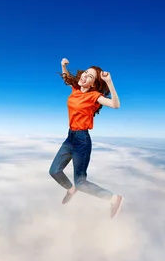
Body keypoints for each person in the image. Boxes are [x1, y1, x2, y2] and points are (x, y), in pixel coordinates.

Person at [49, 58, 124, 218]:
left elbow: (115, 105)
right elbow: (67, 78)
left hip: (82, 140)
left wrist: (109, 82)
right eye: (85, 73)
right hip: (70, 138)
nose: (85, 76)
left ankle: (113, 198)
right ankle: (71, 190)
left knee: (81, 182)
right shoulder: (75, 89)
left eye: (90, 76)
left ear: (93, 84)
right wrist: (63, 66)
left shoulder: (94, 96)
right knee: (54, 171)